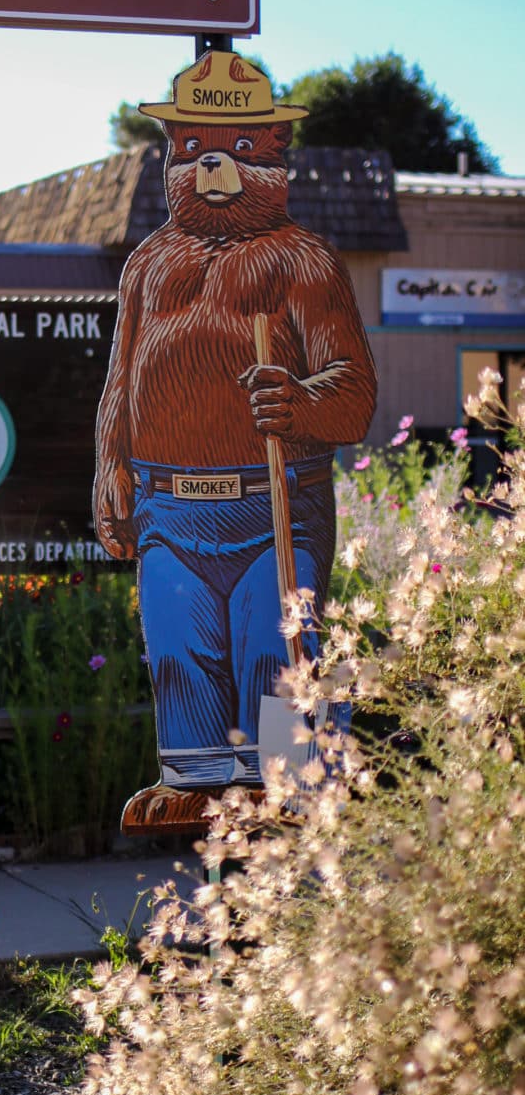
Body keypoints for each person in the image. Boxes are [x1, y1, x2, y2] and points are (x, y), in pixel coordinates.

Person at [93, 51, 377, 829]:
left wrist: (298, 398)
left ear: (276, 164)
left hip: (273, 503)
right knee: (177, 646)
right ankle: (192, 779)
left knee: (270, 645)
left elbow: (352, 393)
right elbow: (123, 376)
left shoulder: (302, 261)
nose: (214, 166)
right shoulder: (149, 265)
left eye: (241, 151)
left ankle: (280, 781)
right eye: (193, 150)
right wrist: (110, 469)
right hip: (167, 504)